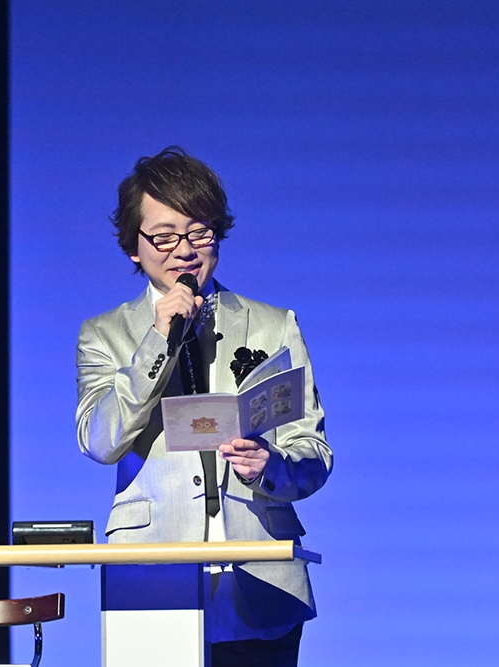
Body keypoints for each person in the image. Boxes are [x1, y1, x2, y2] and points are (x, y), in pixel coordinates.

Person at [75, 146, 333, 667]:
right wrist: (158, 338)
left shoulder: (273, 325)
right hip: (152, 575)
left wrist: (271, 465)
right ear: (133, 246)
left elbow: (314, 451)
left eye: (199, 232)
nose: (184, 250)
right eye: (164, 236)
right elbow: (100, 441)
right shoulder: (104, 334)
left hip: (260, 576)